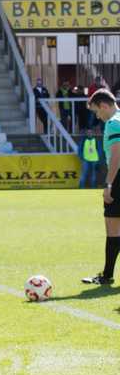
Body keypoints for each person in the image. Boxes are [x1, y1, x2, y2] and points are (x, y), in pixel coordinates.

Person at [82, 89, 120, 285]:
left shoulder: (113, 123)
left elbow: (116, 156)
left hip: (119, 179)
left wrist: (109, 184)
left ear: (104, 106)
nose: (97, 116)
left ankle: (106, 275)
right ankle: (107, 274)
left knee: (112, 227)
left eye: (97, 111)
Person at [80, 123, 103, 189]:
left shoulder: (96, 140)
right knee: (84, 174)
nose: (89, 133)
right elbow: (80, 150)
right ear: (86, 133)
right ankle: (81, 189)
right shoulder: (83, 140)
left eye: (91, 132)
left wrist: (99, 160)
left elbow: (99, 150)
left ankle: (93, 189)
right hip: (85, 160)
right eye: (88, 132)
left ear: (93, 133)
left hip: (95, 160)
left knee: (94, 175)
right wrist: (81, 157)